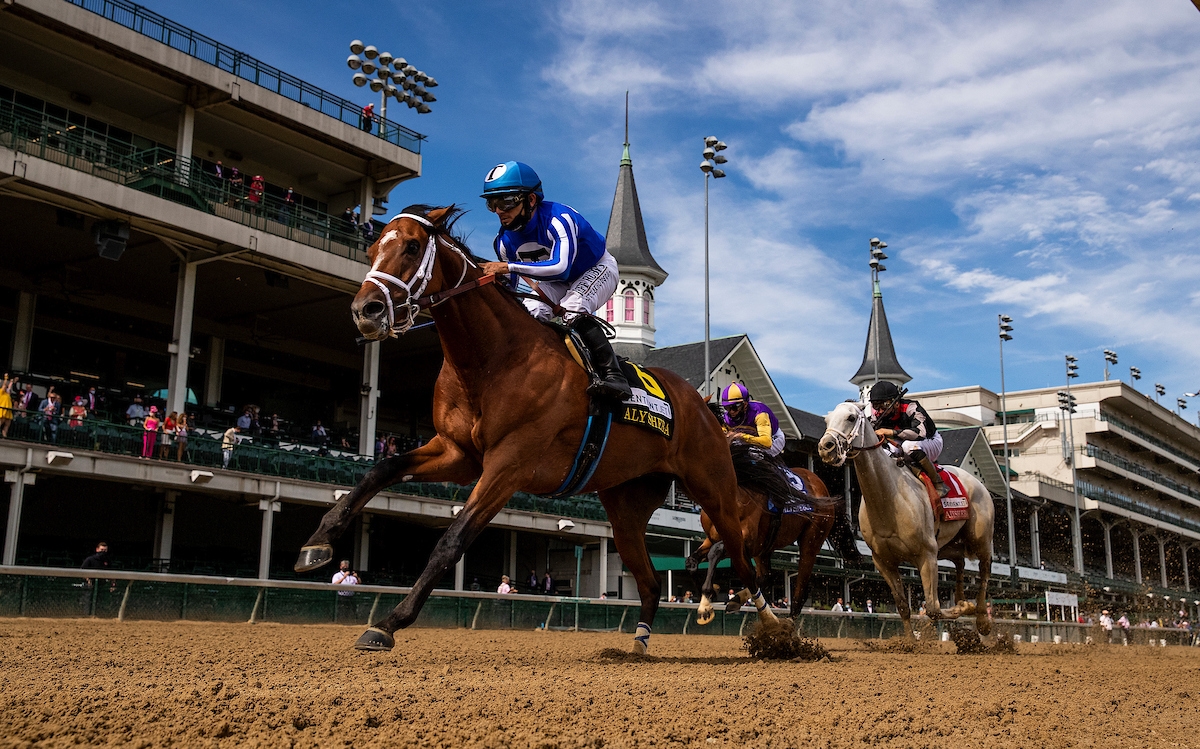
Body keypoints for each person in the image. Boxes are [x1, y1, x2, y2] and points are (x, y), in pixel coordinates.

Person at [477, 161, 631, 400]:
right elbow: (508, 290)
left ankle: (615, 376)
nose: (499, 210)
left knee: (572, 308)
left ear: (530, 200)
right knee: (526, 315)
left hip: (596, 268)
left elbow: (561, 267)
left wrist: (507, 266)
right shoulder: (504, 242)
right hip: (557, 282)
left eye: (506, 201)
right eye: (492, 203)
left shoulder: (558, 218)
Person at [867, 380, 948, 498]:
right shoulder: (877, 416)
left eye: (883, 405)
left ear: (895, 402)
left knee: (908, 446)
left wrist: (890, 432)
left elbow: (920, 433)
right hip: (903, 443)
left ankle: (938, 483)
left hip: (930, 441)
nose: (879, 411)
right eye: (875, 406)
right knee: (884, 452)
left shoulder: (911, 407)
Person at [718, 382, 785, 457]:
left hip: (773, 440)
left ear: (745, 404)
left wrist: (741, 436)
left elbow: (767, 443)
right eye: (727, 407)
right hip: (748, 439)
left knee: (753, 455)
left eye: (735, 407)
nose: (731, 411)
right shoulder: (726, 418)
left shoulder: (759, 413)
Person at [0, 373, 16, 438]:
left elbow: (9, 388)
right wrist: (6, 378)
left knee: (7, 424)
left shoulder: (7, 394)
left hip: (8, 410)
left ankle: (4, 435)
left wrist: (11, 382)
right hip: (2, 409)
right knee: (1, 422)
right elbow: (4, 386)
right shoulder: (1, 392)